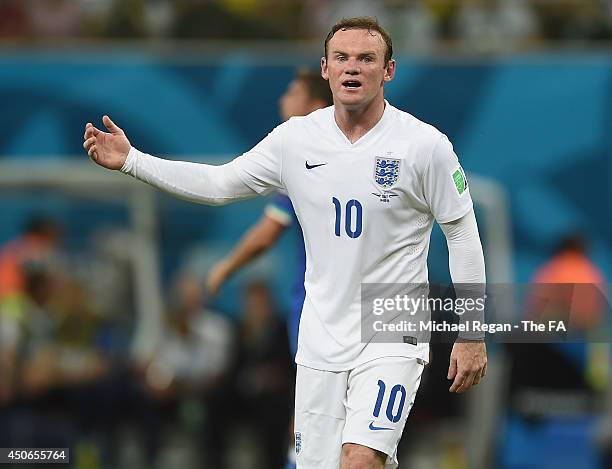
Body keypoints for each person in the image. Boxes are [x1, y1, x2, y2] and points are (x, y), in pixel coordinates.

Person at [83, 16, 487, 468]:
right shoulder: (296, 140)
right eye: (342, 58)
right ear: (325, 69)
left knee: (360, 460)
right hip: (319, 334)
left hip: (392, 327)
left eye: (367, 58)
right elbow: (218, 184)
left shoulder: (425, 146)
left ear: (388, 70)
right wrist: (132, 160)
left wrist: (471, 332)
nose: (353, 67)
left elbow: (462, 235)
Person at [206, 68, 333, 359]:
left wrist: (226, 267)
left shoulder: (309, 162)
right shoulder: (359, 155)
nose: (282, 101)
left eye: (293, 94)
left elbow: (267, 233)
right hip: (371, 301)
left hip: (319, 306)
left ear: (315, 106)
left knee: (320, 403)